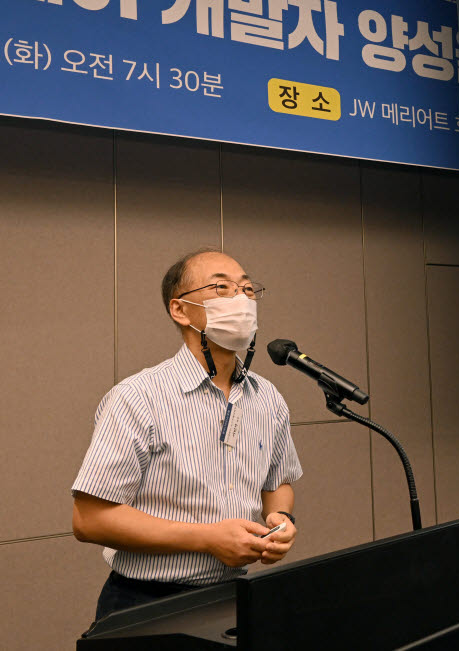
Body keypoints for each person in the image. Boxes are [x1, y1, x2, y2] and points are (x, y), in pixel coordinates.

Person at [71, 248, 302, 622]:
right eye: (221, 288)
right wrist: (208, 538)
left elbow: (279, 482)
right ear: (180, 310)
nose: (241, 299)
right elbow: (89, 520)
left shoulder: (268, 397)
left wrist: (281, 518)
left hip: (236, 598)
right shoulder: (138, 397)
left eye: (247, 289)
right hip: (147, 603)